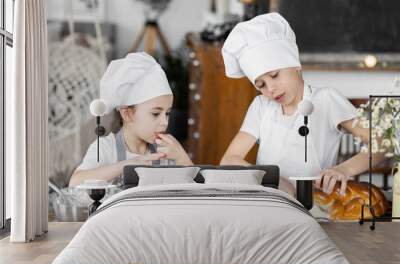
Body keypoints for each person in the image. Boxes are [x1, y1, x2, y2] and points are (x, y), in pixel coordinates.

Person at [220, 13, 385, 196]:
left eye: (275, 75)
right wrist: (275, 179)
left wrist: (344, 170)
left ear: (295, 63)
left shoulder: (326, 99)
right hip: (271, 202)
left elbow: (379, 145)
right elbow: (229, 160)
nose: (271, 88)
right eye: (261, 85)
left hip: (315, 207)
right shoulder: (261, 106)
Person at [69, 52, 192, 187]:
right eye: (156, 114)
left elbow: (198, 190)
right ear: (127, 114)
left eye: (167, 113)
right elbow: (75, 183)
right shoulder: (105, 148)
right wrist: (127, 165)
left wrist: (182, 158)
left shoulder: (166, 152)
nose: (165, 122)